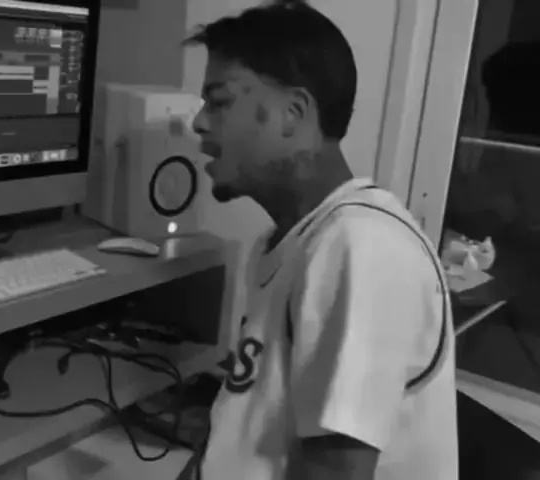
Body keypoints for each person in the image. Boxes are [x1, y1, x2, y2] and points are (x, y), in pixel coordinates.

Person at [180, 1, 458, 479]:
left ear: (293, 113)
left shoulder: (360, 247)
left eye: (218, 101)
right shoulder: (287, 243)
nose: (199, 122)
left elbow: (336, 472)